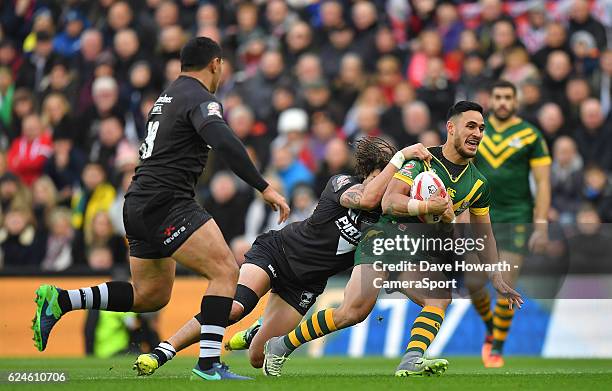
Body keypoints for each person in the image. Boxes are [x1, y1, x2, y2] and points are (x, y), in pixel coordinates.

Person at [31, 37, 289, 381]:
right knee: (226, 271)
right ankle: (209, 364)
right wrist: (264, 186)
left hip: (137, 202)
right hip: (168, 202)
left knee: (149, 295)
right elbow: (223, 139)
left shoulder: (167, 97)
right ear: (215, 64)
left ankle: (62, 301)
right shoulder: (200, 99)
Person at [262, 101, 522, 378]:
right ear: (451, 128)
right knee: (352, 312)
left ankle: (411, 359)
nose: (477, 133)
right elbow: (389, 202)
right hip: (384, 237)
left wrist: (495, 275)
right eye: (470, 126)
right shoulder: (422, 162)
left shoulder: (479, 183)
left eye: (482, 128)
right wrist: (427, 208)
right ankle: (280, 345)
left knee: (440, 298)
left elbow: (484, 231)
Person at [132, 138, 430, 374]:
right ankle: (162, 352)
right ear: (369, 174)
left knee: (257, 358)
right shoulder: (343, 185)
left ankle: (255, 332)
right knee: (235, 307)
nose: (387, 184)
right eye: (382, 176)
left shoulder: (387, 218)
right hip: (277, 253)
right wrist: (401, 157)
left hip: (305, 285)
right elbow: (367, 197)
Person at [470, 80, 551, 368]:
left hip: (517, 215)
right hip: (480, 214)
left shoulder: (530, 134)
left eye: (508, 97)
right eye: (498, 97)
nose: (503, 102)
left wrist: (540, 223)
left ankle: (497, 348)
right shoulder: (477, 132)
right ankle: (491, 329)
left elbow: (542, 182)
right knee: (474, 284)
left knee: (505, 283)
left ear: (515, 102)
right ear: (490, 100)